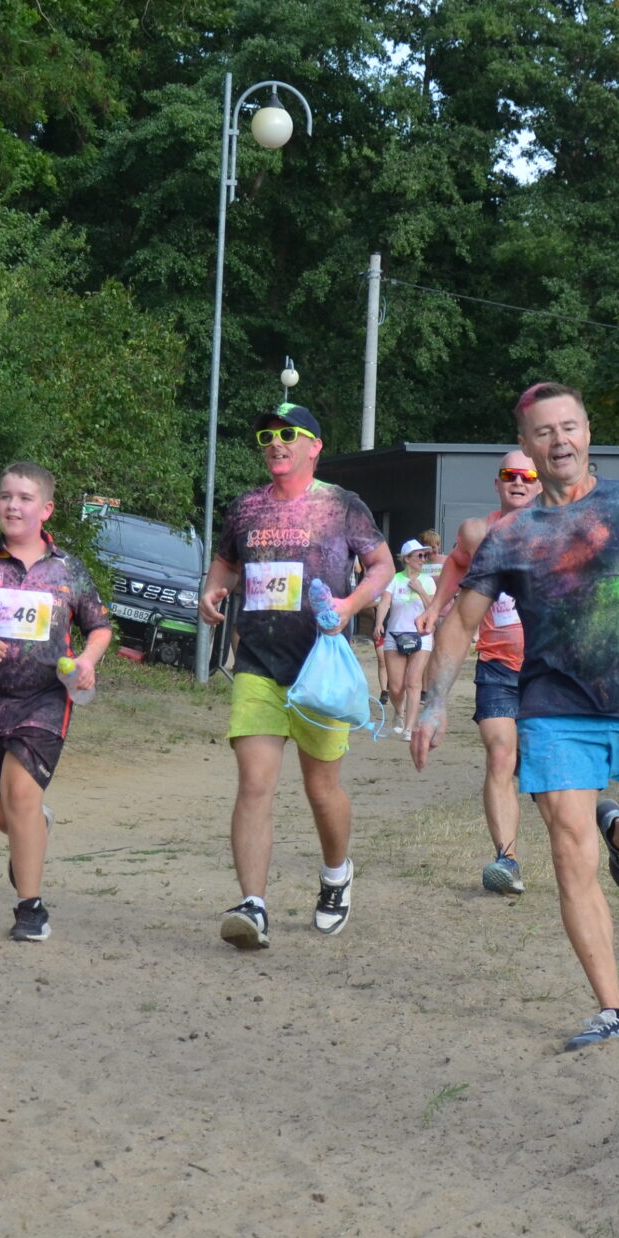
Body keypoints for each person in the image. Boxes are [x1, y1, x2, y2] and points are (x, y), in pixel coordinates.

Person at [412, 381, 619, 1050]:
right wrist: (433, 704)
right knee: (567, 852)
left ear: (588, 433)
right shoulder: (510, 535)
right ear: (527, 447)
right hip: (556, 709)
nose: (559, 440)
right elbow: (460, 623)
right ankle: (612, 1008)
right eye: (544, 431)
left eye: (570, 427)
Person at [200, 401, 392, 948]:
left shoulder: (341, 505)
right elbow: (226, 564)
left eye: (288, 435)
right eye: (268, 437)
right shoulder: (245, 507)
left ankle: (336, 875)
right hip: (257, 664)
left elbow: (382, 565)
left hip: (319, 667)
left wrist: (350, 604)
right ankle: (253, 906)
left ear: (314, 446)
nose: (276, 444)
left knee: (321, 789)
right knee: (254, 784)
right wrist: (212, 591)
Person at [0, 462, 114, 942]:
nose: (12, 505)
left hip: (46, 699)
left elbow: (99, 627)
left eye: (24, 498)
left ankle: (30, 909)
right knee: (4, 814)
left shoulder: (67, 569)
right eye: (5, 496)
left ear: (46, 509)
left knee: (19, 794)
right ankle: (35, 825)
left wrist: (87, 660)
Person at [424, 449, 543, 894]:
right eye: (510, 475)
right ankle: (506, 861)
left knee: (550, 776)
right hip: (497, 666)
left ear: (539, 484)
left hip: (547, 671)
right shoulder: (477, 532)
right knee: (499, 754)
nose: (518, 482)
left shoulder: (557, 529)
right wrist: (435, 607)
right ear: (497, 484)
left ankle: (603, 829)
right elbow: (456, 563)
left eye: (527, 476)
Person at [379, 538, 436, 738]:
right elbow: (385, 603)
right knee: (396, 687)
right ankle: (398, 712)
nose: (423, 559)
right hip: (395, 634)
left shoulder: (428, 581)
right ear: (407, 558)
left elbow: (433, 608)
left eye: (425, 555)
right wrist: (379, 623)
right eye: (419, 555)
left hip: (421, 635)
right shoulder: (395, 579)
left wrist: (420, 590)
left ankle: (409, 728)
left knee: (413, 682)